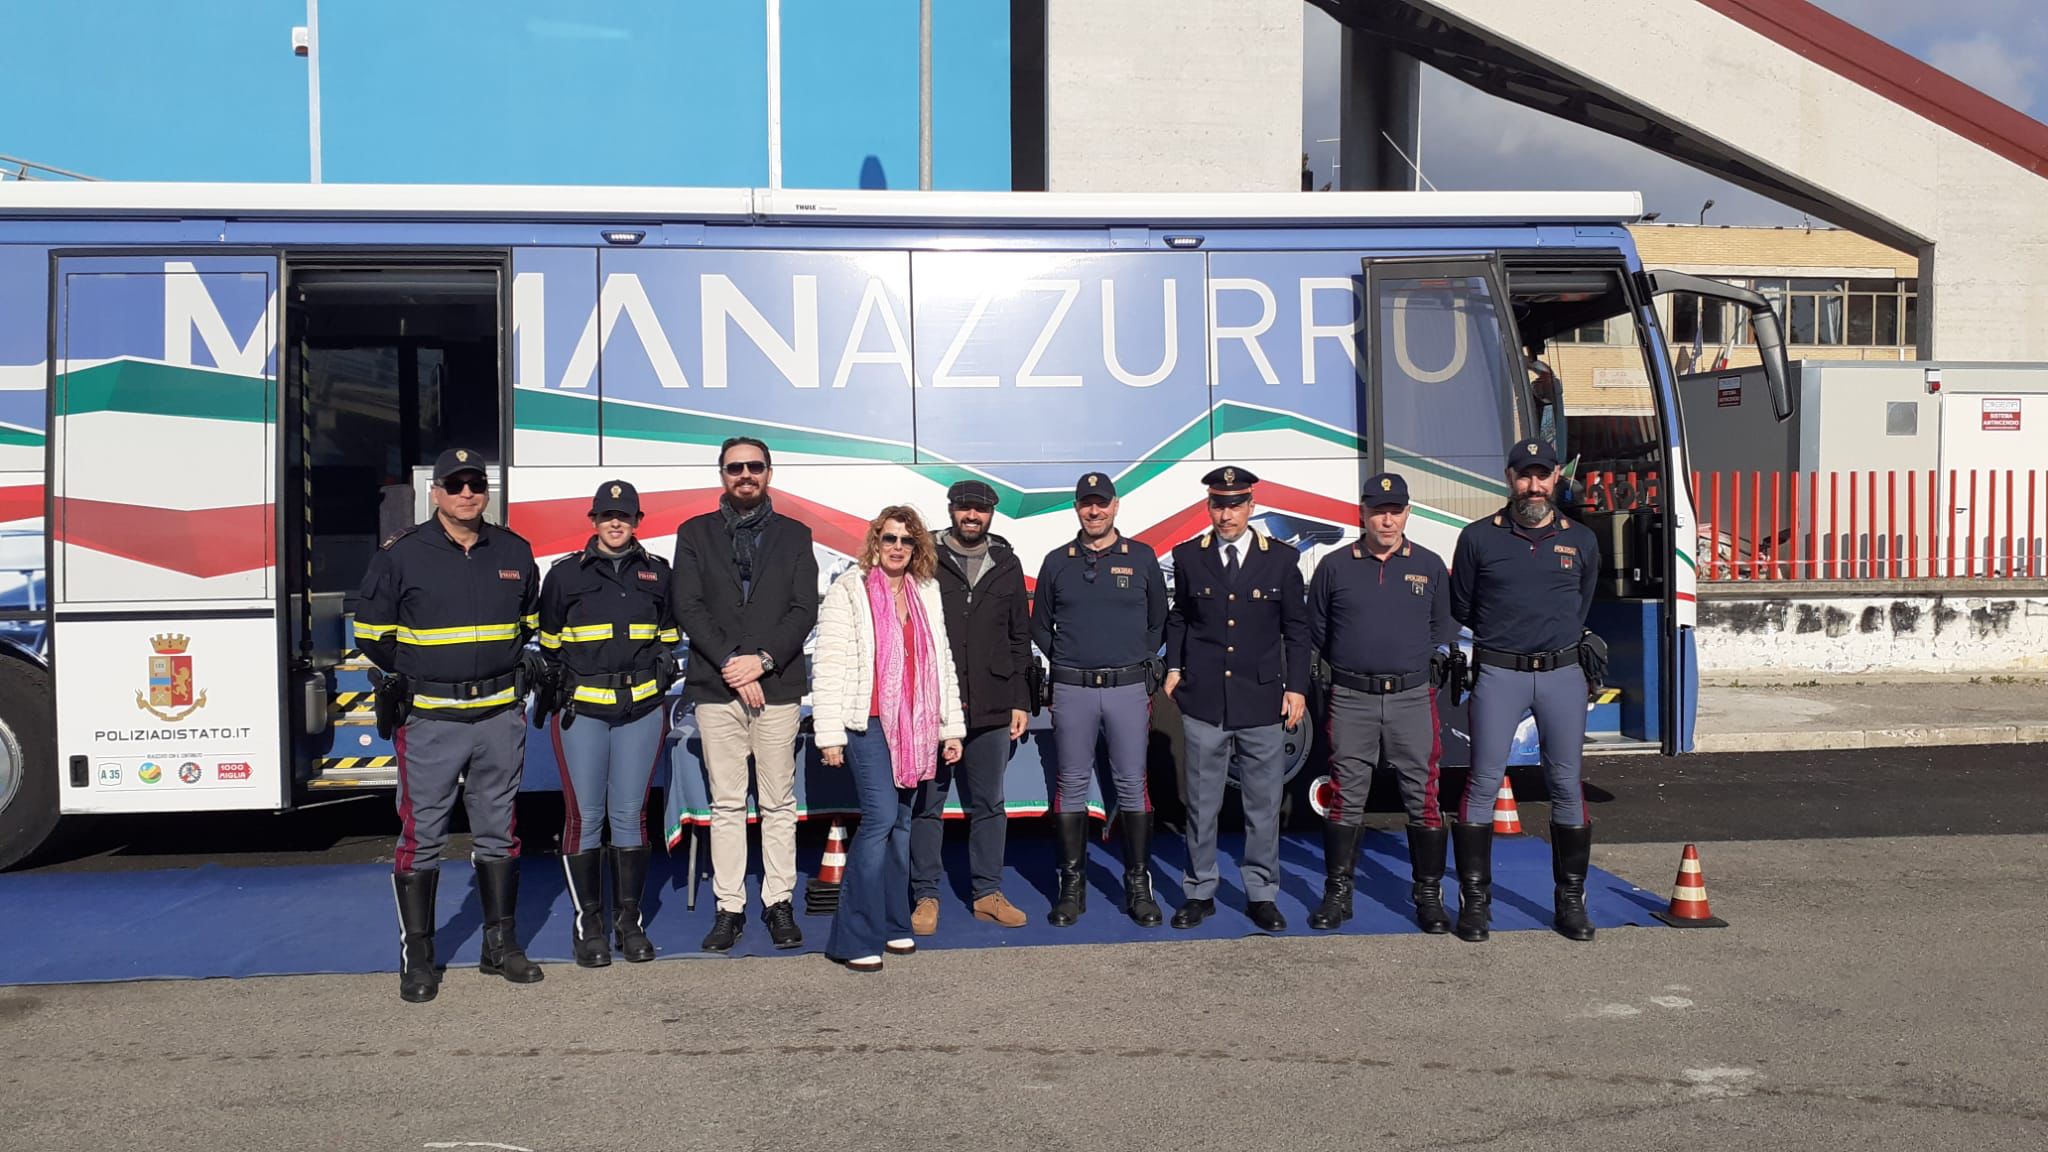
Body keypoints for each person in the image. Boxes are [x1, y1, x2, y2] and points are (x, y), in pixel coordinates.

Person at [354, 447, 545, 1004]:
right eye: (455, 484)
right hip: (432, 718)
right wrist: (425, 672)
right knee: (423, 837)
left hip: (499, 715)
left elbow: (528, 622)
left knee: (499, 831)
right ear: (434, 492)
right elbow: (372, 634)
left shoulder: (513, 550)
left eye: (475, 484)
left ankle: (499, 945)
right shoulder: (402, 554)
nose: (467, 493)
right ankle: (418, 955)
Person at [1450, 438, 1602, 943]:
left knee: (1566, 784)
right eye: (1524, 475)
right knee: (1482, 782)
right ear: (1509, 478)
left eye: (1542, 475)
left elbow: (1580, 604)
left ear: (1556, 477)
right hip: (1500, 672)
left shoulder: (1581, 540)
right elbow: (1462, 605)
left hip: (1562, 674)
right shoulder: (1478, 538)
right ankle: (1475, 903)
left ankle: (1570, 901)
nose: (1533, 486)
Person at [671, 437, 820, 953]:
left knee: (778, 802)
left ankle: (778, 901)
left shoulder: (796, 535)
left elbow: (804, 609)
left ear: (769, 473)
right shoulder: (694, 533)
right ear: (722, 474)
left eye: (755, 466)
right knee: (728, 803)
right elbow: (688, 606)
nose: (746, 474)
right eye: (735, 467)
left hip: (778, 687)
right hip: (717, 687)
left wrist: (764, 660)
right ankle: (729, 906)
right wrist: (736, 663)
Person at [812, 507, 966, 971]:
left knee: (902, 823)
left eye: (907, 540)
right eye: (889, 538)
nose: (897, 547)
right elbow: (830, 664)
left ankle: (895, 923)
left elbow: (941, 662)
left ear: (918, 547)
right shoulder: (849, 590)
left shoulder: (926, 591)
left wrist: (950, 727)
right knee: (880, 817)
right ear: (875, 542)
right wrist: (829, 735)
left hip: (916, 725)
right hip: (870, 723)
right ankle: (853, 936)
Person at [536, 480, 680, 968]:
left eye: (624, 515)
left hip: (641, 710)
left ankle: (629, 922)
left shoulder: (658, 573)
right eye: (606, 515)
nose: (615, 523)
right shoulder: (564, 576)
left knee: (631, 815)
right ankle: (589, 925)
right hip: (582, 712)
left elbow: (669, 638)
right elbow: (549, 645)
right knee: (585, 817)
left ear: (637, 521)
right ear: (594, 520)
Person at [1306, 472, 1457, 933]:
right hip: (1352, 697)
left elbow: (1442, 627)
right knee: (1346, 796)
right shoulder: (1334, 566)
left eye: (1395, 511)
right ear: (1363, 513)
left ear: (1407, 513)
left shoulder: (1429, 565)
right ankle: (1338, 893)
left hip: (1411, 696)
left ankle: (1428, 895)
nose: (1387, 520)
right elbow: (1318, 630)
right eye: (1378, 511)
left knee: (1423, 796)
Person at [1161, 467, 1309, 932]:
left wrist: (1297, 687)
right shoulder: (1189, 556)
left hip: (1261, 699)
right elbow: (1181, 617)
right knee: (1202, 804)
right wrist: (1174, 667)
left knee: (1262, 806)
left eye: (1235, 505)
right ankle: (1199, 890)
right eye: (1218, 505)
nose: (1226, 515)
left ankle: (1261, 893)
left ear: (1250, 507)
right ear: (1209, 507)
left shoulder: (1280, 559)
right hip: (1205, 699)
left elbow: (1297, 629)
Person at [1031, 472, 1169, 928]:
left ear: (1115, 505)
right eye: (1087, 503)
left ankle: (1138, 886)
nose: (1095, 511)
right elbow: (1040, 625)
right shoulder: (1057, 562)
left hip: (1127, 688)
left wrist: (1135, 658)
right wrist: (1069, 659)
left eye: (1102, 503)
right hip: (1073, 688)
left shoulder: (1142, 557)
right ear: (1076, 508)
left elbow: (1159, 621)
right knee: (1071, 784)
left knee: (1132, 783)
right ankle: (1071, 888)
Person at [909, 479, 1032, 934]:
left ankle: (987, 894)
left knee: (990, 805)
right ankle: (925, 895)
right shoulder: (925, 558)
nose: (972, 516)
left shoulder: (1007, 562)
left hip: (993, 703)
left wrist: (1020, 699)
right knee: (927, 806)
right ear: (951, 510)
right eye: (964, 508)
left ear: (991, 514)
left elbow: (1019, 636)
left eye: (980, 509)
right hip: (935, 706)